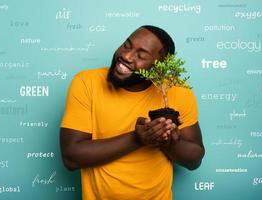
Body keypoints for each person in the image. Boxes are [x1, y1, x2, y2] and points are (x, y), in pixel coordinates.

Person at [59, 25, 205, 200]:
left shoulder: (178, 91)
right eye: (126, 45)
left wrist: (170, 142)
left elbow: (194, 160)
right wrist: (137, 139)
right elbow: (71, 157)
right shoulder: (86, 83)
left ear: (160, 67)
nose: (126, 56)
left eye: (141, 55)